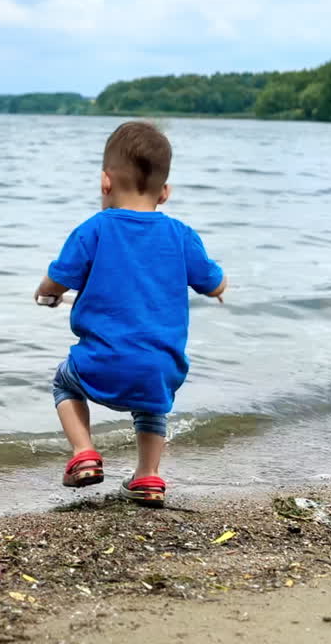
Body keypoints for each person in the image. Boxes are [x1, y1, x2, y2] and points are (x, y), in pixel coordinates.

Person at [34, 120, 226, 507]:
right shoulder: (181, 235)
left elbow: (58, 279)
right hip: (161, 367)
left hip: (101, 362)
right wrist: (220, 289)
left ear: (105, 182)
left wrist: (46, 293)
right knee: (151, 408)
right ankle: (147, 476)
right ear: (165, 192)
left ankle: (84, 452)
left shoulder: (94, 230)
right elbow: (211, 281)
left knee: (64, 383)